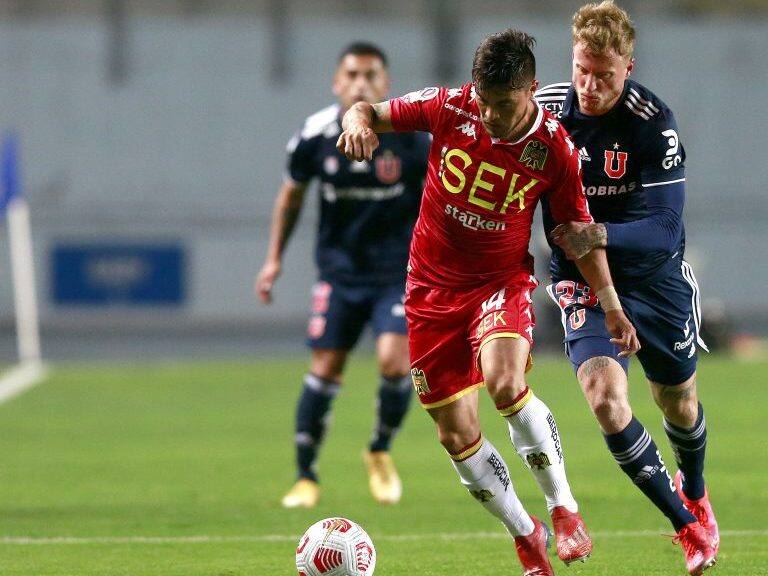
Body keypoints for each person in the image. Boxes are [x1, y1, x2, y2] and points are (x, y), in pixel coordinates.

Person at [338, 29, 640, 575]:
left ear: (529, 90)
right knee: (456, 433)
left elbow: (575, 232)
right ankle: (526, 534)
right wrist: (358, 123)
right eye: (484, 100)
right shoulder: (448, 107)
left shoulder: (553, 149)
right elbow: (366, 109)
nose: (491, 115)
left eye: (503, 105)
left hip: (499, 284)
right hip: (429, 292)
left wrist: (611, 304)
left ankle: (563, 506)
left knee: (505, 382)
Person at [535, 2, 718, 574]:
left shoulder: (652, 122)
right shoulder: (543, 112)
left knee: (678, 403)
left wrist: (599, 232)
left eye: (605, 75)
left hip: (654, 280)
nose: (590, 86)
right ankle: (688, 529)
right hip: (580, 281)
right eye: (582, 71)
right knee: (607, 402)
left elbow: (666, 228)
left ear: (628, 67)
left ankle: (695, 490)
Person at [256, 42, 430, 508]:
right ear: (336, 82)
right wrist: (273, 260)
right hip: (339, 274)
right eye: (351, 75)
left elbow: (441, 197)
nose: (360, 84)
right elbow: (290, 198)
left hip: (396, 274)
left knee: (396, 363)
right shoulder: (314, 135)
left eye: (371, 75)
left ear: (385, 84)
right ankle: (305, 477)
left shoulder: (411, 137)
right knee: (325, 370)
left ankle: (379, 449)